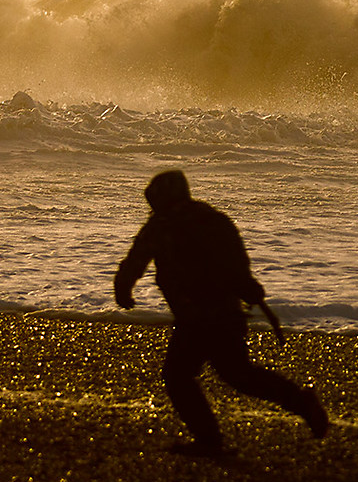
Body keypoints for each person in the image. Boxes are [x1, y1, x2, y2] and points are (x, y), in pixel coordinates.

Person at [113, 168, 330, 455]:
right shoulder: (214, 220)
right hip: (226, 312)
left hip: (196, 317)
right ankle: (301, 402)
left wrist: (123, 289)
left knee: (178, 376)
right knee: (238, 375)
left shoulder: (162, 224)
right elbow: (238, 265)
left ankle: (209, 440)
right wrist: (247, 291)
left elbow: (135, 261)